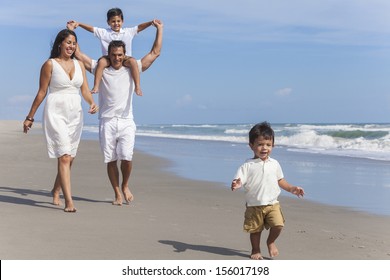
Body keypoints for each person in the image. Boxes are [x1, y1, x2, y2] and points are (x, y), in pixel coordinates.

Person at [75, 20, 163, 205]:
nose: (117, 58)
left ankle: (125, 185)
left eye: (120, 55)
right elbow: (78, 55)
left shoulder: (132, 69)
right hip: (106, 121)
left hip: (126, 121)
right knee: (111, 160)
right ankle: (117, 192)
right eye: (114, 55)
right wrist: (71, 31)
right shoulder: (102, 69)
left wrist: (159, 30)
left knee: (127, 158)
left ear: (125, 55)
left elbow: (155, 53)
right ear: (109, 55)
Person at [23, 29, 98, 213]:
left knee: (69, 158)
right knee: (64, 157)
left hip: (75, 113)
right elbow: (41, 92)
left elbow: (85, 90)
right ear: (60, 44)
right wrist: (30, 117)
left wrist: (91, 103)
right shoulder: (49, 64)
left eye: (74, 43)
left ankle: (56, 189)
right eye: (68, 42)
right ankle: (69, 202)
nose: (71, 46)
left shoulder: (80, 65)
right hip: (56, 112)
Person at [231, 122, 305, 260]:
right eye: (260, 144)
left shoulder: (275, 164)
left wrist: (292, 189)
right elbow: (239, 180)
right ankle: (256, 250)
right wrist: (237, 184)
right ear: (251, 146)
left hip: (272, 203)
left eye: (268, 145)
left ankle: (270, 241)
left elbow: (280, 180)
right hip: (254, 205)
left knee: (278, 224)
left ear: (273, 146)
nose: (264, 148)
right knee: (255, 230)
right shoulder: (247, 165)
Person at [67, 7, 155, 96]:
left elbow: (139, 27)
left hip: (125, 58)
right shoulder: (104, 32)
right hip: (108, 58)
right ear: (108, 22)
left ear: (122, 21)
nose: (116, 23)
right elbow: (91, 29)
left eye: (118, 21)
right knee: (101, 62)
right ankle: (96, 86)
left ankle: (137, 86)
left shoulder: (128, 32)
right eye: (113, 21)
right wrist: (79, 24)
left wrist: (150, 23)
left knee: (133, 61)